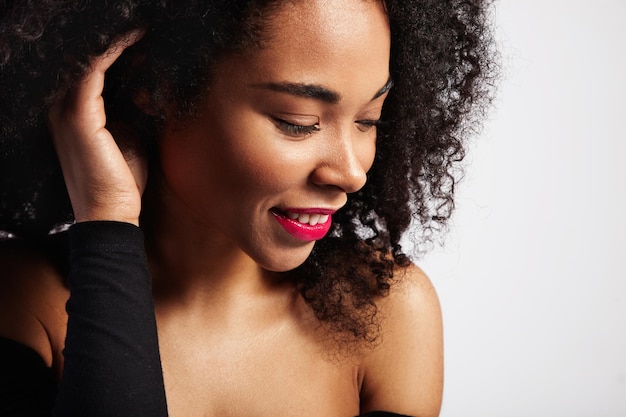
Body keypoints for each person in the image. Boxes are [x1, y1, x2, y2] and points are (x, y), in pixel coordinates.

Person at [0, 0, 495, 416]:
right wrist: (107, 220)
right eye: (297, 120)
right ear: (156, 85)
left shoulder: (382, 311)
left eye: (369, 119)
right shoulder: (21, 301)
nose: (351, 172)